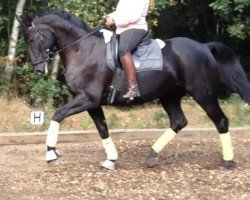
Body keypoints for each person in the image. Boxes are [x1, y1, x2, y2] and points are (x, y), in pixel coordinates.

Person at [105, 0, 150, 100]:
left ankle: (133, 88)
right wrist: (108, 17)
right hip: (122, 30)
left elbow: (134, 16)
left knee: (124, 50)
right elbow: (120, 12)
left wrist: (115, 21)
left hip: (136, 28)